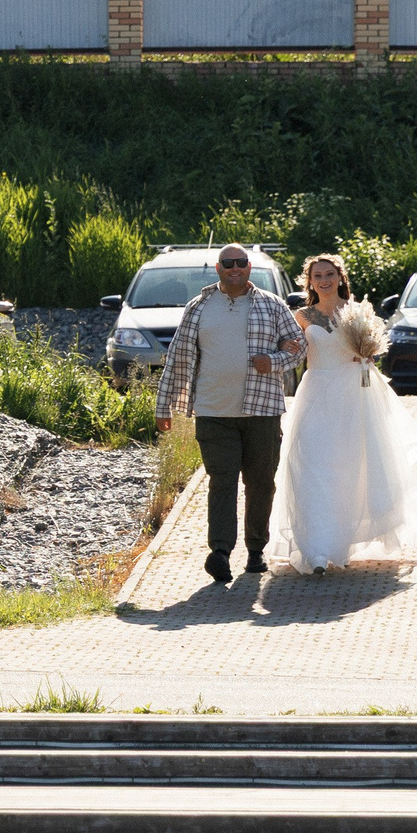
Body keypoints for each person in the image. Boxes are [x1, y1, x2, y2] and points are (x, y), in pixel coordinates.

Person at [154, 244, 307, 581]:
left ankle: (256, 551)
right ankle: (220, 552)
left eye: (240, 262)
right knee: (221, 481)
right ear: (218, 268)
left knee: (261, 483)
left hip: (262, 412)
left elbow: (299, 347)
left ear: (249, 267)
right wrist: (163, 406)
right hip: (213, 412)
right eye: (228, 263)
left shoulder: (272, 305)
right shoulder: (198, 306)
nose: (234, 268)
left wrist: (274, 361)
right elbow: (178, 357)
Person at [268, 253, 417, 575]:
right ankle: (316, 549)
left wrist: (366, 355)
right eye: (317, 276)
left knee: (351, 467)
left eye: (329, 274)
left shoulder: (357, 311)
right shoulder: (302, 316)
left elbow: (371, 348)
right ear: (309, 281)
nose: (324, 280)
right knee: (311, 466)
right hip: (316, 393)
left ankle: (342, 542)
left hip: (353, 394)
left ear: (340, 277)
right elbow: (293, 350)